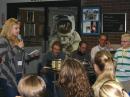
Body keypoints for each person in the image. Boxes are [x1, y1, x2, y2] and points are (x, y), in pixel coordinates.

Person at [0, 18, 24, 97]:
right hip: (8, 77)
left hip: (19, 74)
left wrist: (31, 55)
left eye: (19, 28)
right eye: (16, 28)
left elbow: (20, 57)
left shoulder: (17, 40)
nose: (18, 30)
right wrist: (18, 47)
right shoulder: (3, 40)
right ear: (9, 29)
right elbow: (4, 58)